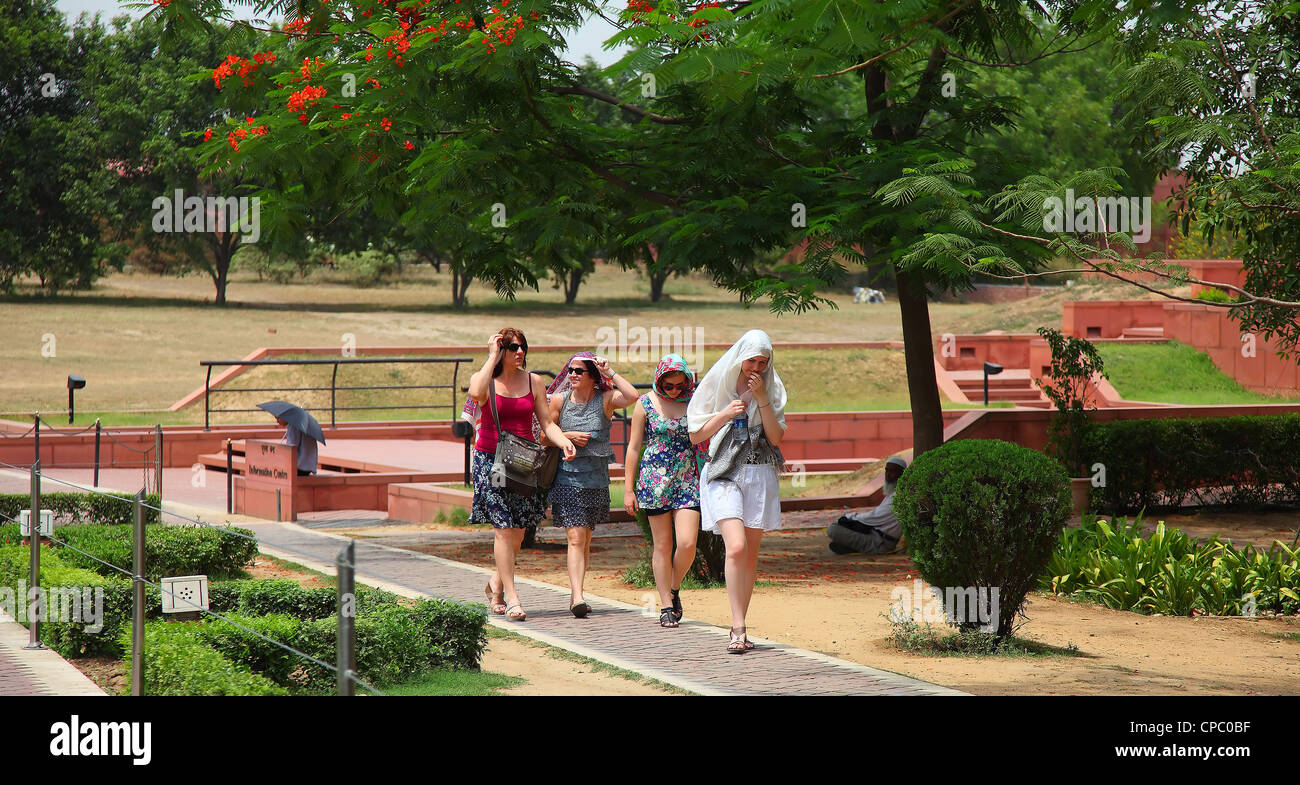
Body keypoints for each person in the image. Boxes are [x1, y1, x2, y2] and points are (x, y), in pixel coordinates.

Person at [688, 330, 787, 653]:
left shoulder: (772, 387)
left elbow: (775, 438)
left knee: (750, 554)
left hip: (759, 472)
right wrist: (726, 414)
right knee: (736, 546)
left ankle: (741, 625)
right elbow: (695, 434)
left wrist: (761, 400)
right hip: (723, 471)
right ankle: (737, 625)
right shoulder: (719, 382)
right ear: (740, 357)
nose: (756, 367)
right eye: (751, 360)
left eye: (763, 361)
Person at [469, 327, 576, 622]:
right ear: (501, 350)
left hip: (522, 461)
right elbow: (476, 394)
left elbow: (546, 422)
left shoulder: (534, 381)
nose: (520, 352)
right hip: (491, 461)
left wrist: (563, 439)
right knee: (504, 528)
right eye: (513, 347)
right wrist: (492, 357)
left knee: (517, 532)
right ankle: (513, 598)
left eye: (523, 347)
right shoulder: (486, 380)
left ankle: (496, 585)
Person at [546, 352, 639, 618]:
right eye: (571, 371)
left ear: (592, 376)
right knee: (576, 537)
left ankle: (579, 591)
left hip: (596, 480)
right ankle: (577, 596)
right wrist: (567, 435)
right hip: (567, 476)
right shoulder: (559, 401)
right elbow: (543, 435)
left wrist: (610, 372)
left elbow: (632, 396)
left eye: (578, 371)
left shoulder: (606, 400)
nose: (572, 375)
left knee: (585, 538)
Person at [624, 353, 702, 628]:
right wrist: (628, 490)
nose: (674, 391)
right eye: (669, 386)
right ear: (658, 381)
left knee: (687, 543)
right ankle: (666, 606)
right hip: (654, 480)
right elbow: (633, 448)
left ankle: (673, 586)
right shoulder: (644, 404)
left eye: (680, 385)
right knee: (662, 545)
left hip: (687, 478)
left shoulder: (694, 402)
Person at [827, 457, 908, 555]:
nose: (888, 475)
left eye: (893, 471)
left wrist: (850, 517)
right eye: (887, 471)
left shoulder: (898, 497)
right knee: (843, 527)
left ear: (902, 474)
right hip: (875, 535)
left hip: (880, 544)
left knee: (833, 529)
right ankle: (855, 547)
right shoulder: (894, 493)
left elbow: (875, 517)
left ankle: (860, 548)